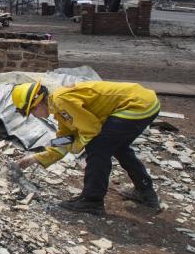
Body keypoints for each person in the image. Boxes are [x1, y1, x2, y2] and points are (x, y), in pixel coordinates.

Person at [11, 80, 161, 215]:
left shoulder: (61, 101)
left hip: (137, 105)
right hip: (145, 102)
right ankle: (145, 191)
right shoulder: (60, 110)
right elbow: (64, 140)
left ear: (37, 103)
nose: (33, 116)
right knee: (118, 147)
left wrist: (76, 146)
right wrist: (35, 158)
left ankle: (92, 200)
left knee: (98, 147)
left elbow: (91, 129)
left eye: (31, 111)